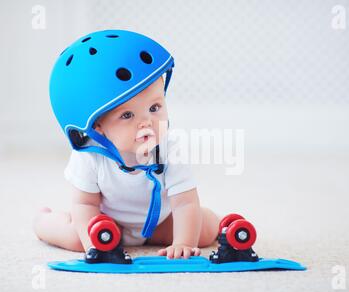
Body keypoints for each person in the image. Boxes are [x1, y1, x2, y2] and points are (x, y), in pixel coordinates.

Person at [34, 30, 220, 260]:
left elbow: (185, 202)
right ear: (97, 126)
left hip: (159, 223)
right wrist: (93, 245)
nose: (147, 123)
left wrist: (183, 243)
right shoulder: (90, 156)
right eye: (127, 115)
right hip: (110, 227)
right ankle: (43, 222)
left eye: (154, 108)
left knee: (206, 228)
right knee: (76, 237)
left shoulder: (170, 149)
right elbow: (84, 204)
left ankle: (208, 224)